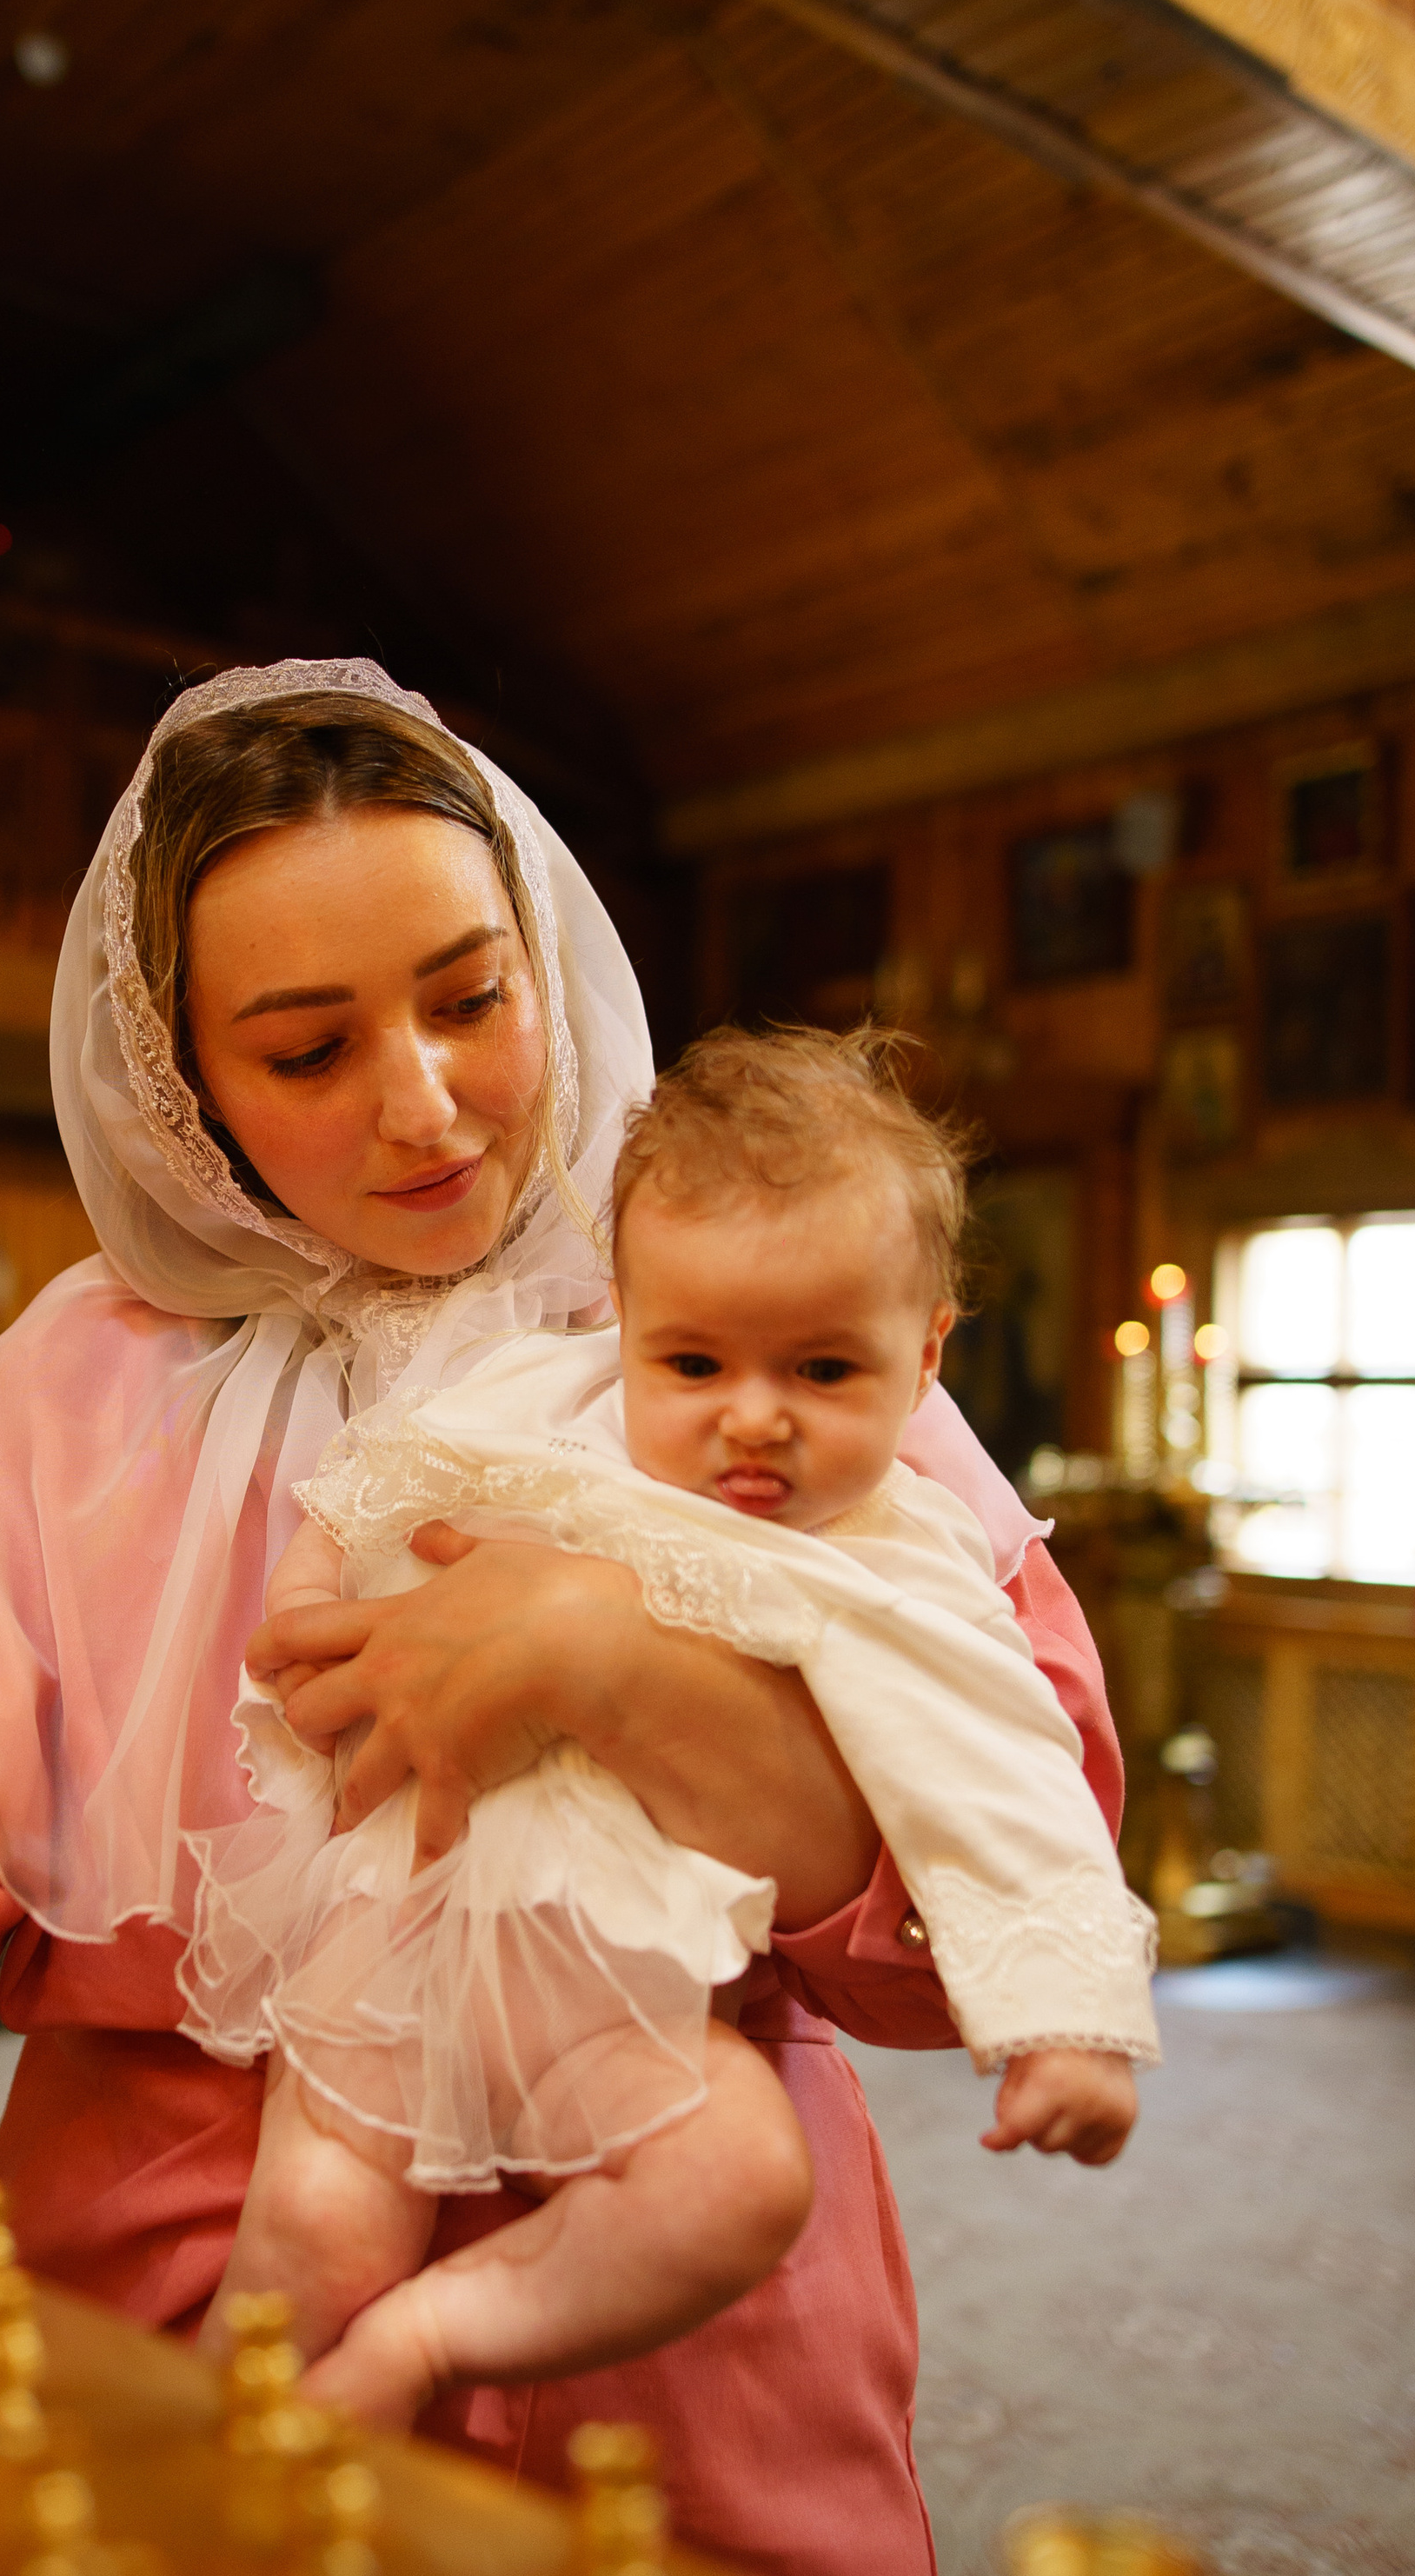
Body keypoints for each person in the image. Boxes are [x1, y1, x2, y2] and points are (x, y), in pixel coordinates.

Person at [0, 657, 1123, 2576]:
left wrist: (608, 1657)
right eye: (306, 1048)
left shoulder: (740, 1329)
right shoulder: (66, 1394)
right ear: (187, 1084)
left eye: (465, 999)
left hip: (675, 2314)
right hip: (195, 2266)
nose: (421, 1104)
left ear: (541, 966)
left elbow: (1000, 1795)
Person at [184, 1025, 1157, 2429]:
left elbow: (1008, 1776)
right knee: (310, 2231)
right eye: (693, 1363)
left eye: (823, 1372)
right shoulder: (558, 1393)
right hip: (406, 1921)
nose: (752, 1421)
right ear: (624, 1322)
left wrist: (1067, 2025)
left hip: (620, 1984)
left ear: (925, 1356)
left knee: (736, 2185)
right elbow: (391, 1471)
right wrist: (312, 1594)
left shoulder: (905, 1560)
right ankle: (202, 2462)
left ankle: (430, 2340)